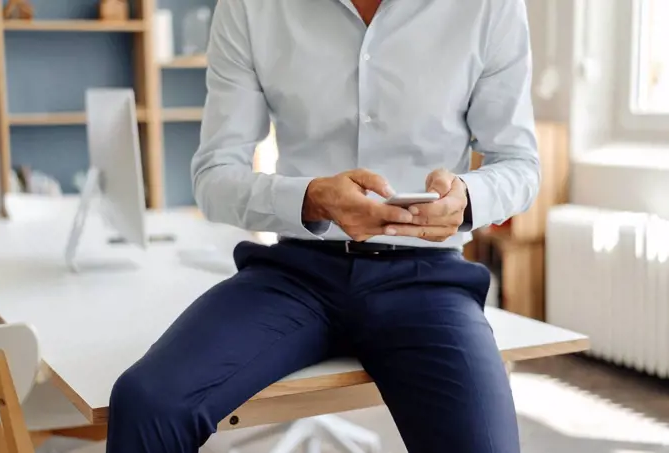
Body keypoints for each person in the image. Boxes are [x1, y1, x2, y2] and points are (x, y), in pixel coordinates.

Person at [106, 0, 540, 451]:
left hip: (425, 280)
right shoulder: (250, 8)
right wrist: (310, 198)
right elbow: (214, 177)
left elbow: (519, 165)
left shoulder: (489, 7)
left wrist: (468, 198)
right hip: (298, 274)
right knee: (148, 401)